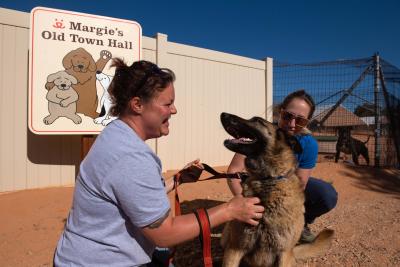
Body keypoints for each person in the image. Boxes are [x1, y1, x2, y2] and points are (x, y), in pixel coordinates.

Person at [53, 59, 265, 267]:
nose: (174, 110)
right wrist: (229, 210)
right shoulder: (131, 156)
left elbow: (129, 196)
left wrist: (176, 181)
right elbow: (165, 234)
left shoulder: (116, 135)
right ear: (137, 105)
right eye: (167, 103)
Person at [226, 89, 338, 243]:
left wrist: (286, 216)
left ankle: (301, 223)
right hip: (256, 184)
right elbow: (234, 170)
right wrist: (243, 203)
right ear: (281, 112)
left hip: (285, 187)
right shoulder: (261, 132)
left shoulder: (308, 144)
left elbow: (299, 186)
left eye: (300, 121)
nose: (292, 124)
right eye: (288, 116)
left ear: (307, 122)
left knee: (326, 194)